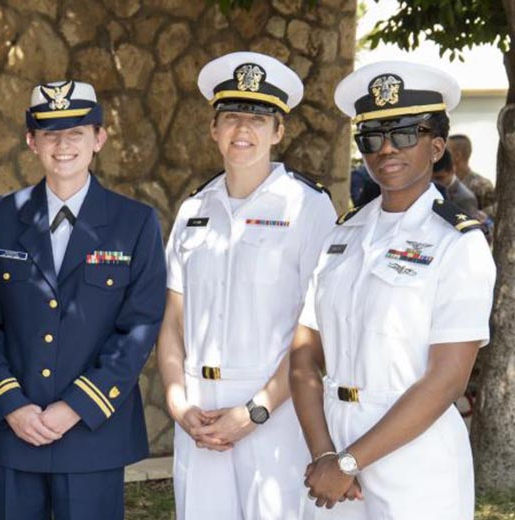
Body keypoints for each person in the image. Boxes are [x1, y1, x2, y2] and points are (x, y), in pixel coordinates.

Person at [292, 61, 495, 519]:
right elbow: (305, 352)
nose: (386, 149)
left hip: (415, 457)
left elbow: (446, 379)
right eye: (372, 137)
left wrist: (349, 461)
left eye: (405, 134)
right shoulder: (342, 235)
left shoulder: (458, 243)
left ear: (437, 145)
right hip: (333, 450)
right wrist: (327, 454)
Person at [0, 80, 167, 520]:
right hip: (12, 432)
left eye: (76, 132)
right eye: (50, 133)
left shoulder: (134, 222)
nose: (63, 145)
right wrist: (11, 404)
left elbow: (140, 326)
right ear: (31, 141)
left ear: (99, 138)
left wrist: (77, 407)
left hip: (92, 433)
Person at [157, 52, 338, 520]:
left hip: (274, 413)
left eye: (258, 118)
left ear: (279, 132)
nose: (243, 130)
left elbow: (316, 327)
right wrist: (178, 403)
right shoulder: (193, 210)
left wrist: (255, 411)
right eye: (232, 117)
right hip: (198, 411)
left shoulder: (309, 207)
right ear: (214, 129)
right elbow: (173, 319)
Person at [447, 134, 495, 217]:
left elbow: (491, 222)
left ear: (457, 156)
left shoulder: (482, 186)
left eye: (446, 152)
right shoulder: (444, 182)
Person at [431, 150, 480, 217]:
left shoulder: (465, 198)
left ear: (452, 171)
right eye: (431, 179)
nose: (435, 182)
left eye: (439, 178)